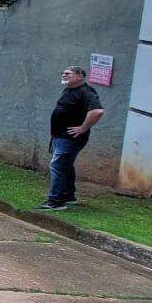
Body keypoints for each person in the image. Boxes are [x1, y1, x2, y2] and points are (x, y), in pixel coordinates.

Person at [40, 66, 104, 210]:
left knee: (57, 165)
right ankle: (69, 195)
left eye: (68, 73)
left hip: (70, 138)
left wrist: (83, 127)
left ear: (80, 76)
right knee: (66, 165)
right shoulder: (70, 89)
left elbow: (97, 111)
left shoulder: (86, 92)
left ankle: (56, 201)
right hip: (60, 136)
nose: (64, 75)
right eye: (63, 73)